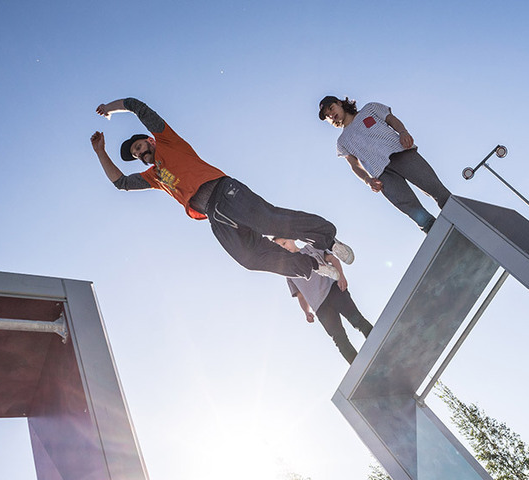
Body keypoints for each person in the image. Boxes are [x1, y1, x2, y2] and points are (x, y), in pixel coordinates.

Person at [92, 97, 354, 280]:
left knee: (268, 221)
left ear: (149, 141)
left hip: (225, 192)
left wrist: (111, 109)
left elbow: (137, 105)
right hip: (214, 216)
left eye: (139, 147)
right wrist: (100, 152)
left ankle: (328, 239)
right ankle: (311, 266)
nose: (139, 154)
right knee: (249, 258)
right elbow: (121, 183)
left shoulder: (167, 140)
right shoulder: (153, 177)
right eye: (136, 154)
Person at [319, 95, 450, 234]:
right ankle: (443, 238)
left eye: (331, 109)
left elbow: (391, 119)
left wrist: (403, 132)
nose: (331, 115)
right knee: (414, 211)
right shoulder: (342, 142)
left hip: (400, 153)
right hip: (383, 175)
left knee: (435, 188)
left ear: (339, 103)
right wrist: (367, 180)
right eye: (328, 116)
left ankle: (464, 217)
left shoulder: (370, 109)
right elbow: (354, 165)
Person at [273, 237, 373, 363]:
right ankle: (358, 366)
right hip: (320, 307)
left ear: (292, 239)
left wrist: (341, 276)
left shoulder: (310, 249)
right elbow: (300, 295)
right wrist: (306, 312)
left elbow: (332, 259)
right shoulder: (289, 271)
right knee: (339, 338)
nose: (284, 247)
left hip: (334, 290)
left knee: (357, 319)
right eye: (280, 247)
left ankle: (378, 340)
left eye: (284, 243)